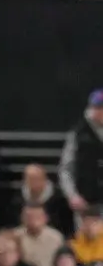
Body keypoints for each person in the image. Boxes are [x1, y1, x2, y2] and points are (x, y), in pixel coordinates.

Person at [59, 90, 103, 219]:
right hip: (86, 204)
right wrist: (72, 195)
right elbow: (66, 169)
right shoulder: (78, 134)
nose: (100, 111)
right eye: (97, 107)